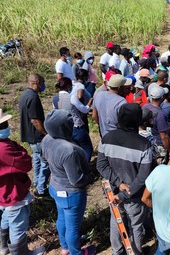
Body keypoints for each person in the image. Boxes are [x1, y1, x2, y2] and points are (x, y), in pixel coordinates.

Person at [97, 103, 152, 255]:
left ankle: (117, 251)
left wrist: (117, 183)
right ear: (137, 121)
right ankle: (136, 251)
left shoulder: (106, 138)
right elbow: (143, 176)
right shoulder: (144, 145)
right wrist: (124, 191)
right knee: (136, 225)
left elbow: (101, 165)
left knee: (116, 220)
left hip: (112, 192)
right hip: (134, 195)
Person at [42, 109, 96, 255]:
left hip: (55, 186)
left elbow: (44, 161)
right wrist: (90, 178)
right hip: (70, 193)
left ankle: (65, 247)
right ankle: (75, 252)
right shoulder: (69, 150)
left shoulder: (47, 139)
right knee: (73, 227)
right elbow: (76, 180)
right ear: (65, 127)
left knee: (62, 218)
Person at [0, 109, 45, 255]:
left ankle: (4, 247)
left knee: (6, 218)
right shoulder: (4, 148)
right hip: (13, 192)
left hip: (3, 193)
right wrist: (21, 151)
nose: (7, 126)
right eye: (3, 124)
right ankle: (21, 253)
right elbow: (26, 163)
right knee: (18, 226)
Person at [19, 74, 50, 197]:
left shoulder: (24, 95)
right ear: (37, 82)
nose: (44, 85)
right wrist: (45, 133)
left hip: (29, 136)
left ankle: (37, 182)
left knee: (37, 159)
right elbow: (35, 120)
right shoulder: (33, 97)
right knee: (45, 162)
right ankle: (41, 189)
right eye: (42, 82)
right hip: (37, 136)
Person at [142, 86, 170, 164]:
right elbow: (164, 136)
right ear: (162, 97)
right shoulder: (161, 114)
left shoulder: (144, 107)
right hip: (158, 146)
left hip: (146, 143)